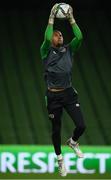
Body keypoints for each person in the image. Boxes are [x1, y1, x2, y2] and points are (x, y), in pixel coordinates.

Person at [40, 4, 86, 177]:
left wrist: (71, 19)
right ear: (51, 39)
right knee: (56, 129)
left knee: (81, 125)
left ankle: (73, 142)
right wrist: (51, 19)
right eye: (56, 34)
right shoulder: (45, 51)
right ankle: (60, 160)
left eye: (60, 34)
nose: (59, 35)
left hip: (68, 94)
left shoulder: (69, 49)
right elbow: (45, 37)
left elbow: (80, 37)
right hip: (53, 96)